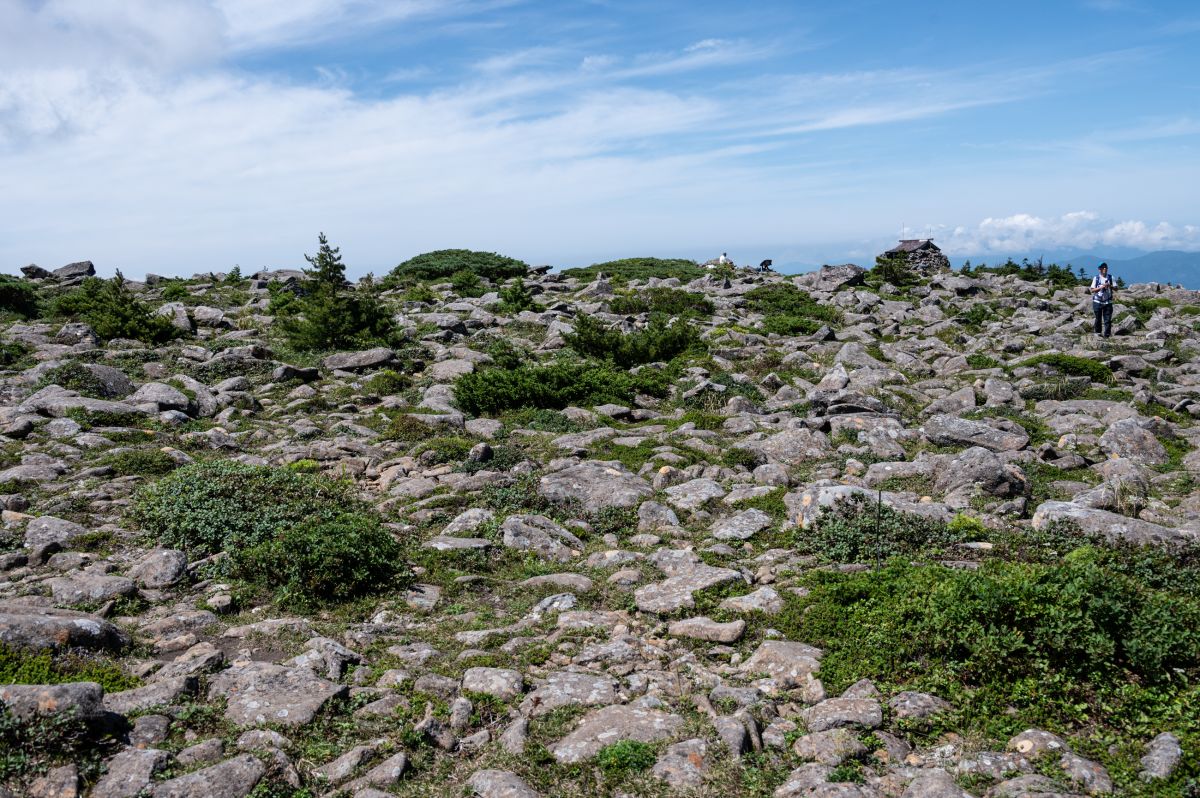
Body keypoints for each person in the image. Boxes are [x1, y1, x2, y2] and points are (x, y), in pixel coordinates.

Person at [1089, 262, 1115, 338]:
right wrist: (1101, 287)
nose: (1104, 269)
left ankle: (1107, 335)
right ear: (1099, 269)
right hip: (1097, 301)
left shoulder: (1111, 277)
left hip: (1108, 301)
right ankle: (1098, 333)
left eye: (1105, 267)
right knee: (1098, 318)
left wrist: (1110, 286)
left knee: (1108, 319)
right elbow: (1092, 290)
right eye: (1103, 267)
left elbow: (1116, 288)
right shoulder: (1096, 278)